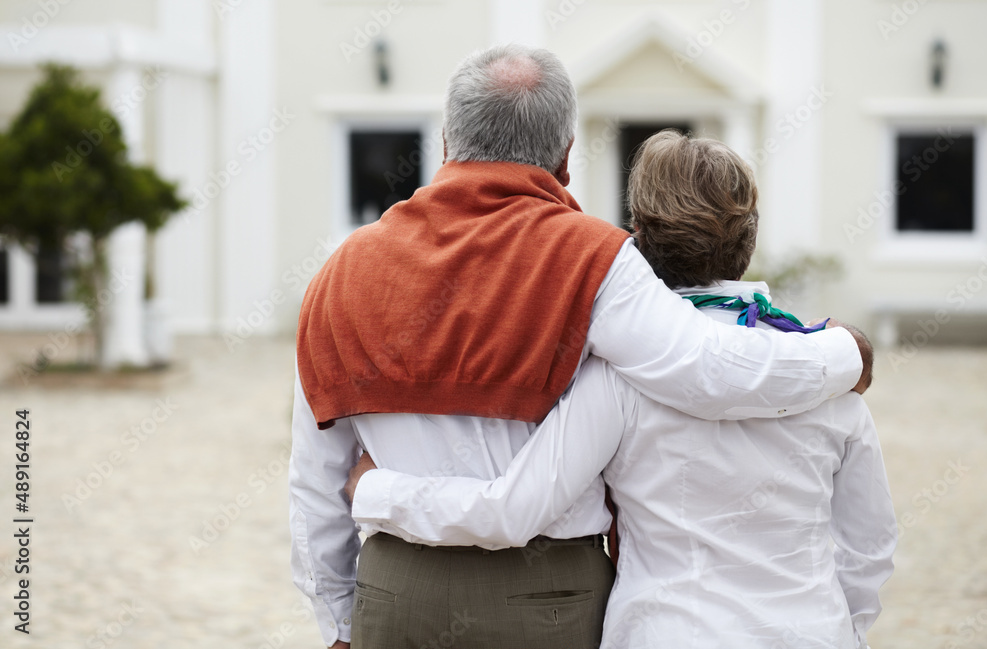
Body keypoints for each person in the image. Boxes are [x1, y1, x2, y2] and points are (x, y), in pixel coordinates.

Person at [290, 44, 873, 649]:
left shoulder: (342, 272)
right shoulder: (591, 259)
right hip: (548, 596)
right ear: (566, 156)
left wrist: (336, 620)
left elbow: (314, 475)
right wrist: (845, 352)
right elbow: (707, 369)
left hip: (394, 592)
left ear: (445, 142)